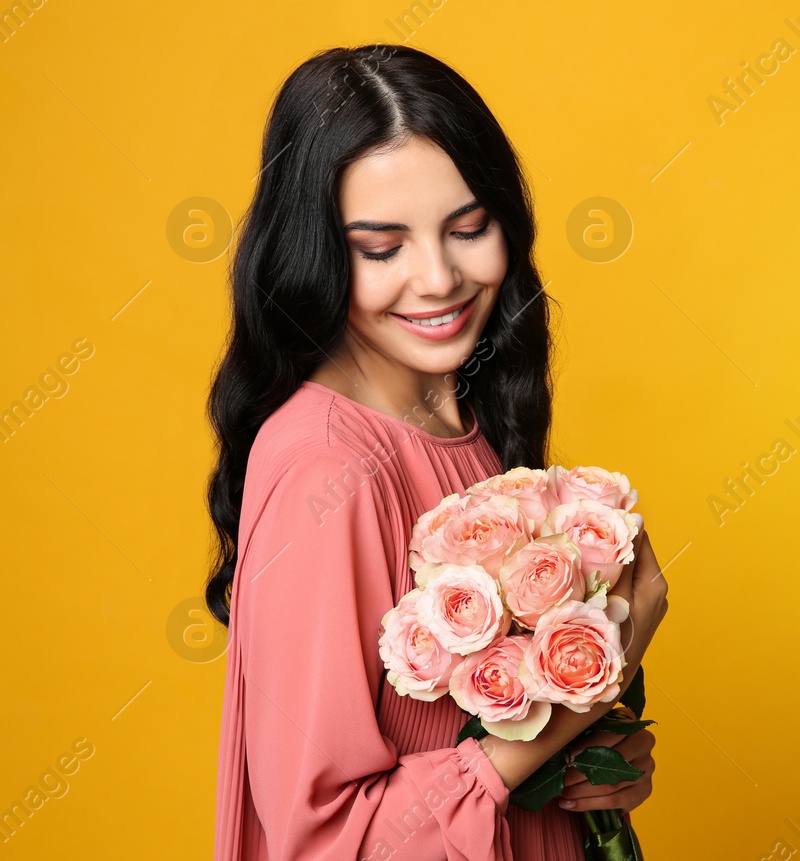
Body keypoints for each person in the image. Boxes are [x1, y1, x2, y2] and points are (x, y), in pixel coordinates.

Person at [203, 44, 669, 860]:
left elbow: (479, 752)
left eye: (467, 228)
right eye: (381, 248)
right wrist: (582, 697)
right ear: (315, 253)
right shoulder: (330, 470)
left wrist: (597, 766)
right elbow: (322, 841)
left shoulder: (474, 429)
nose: (438, 278)